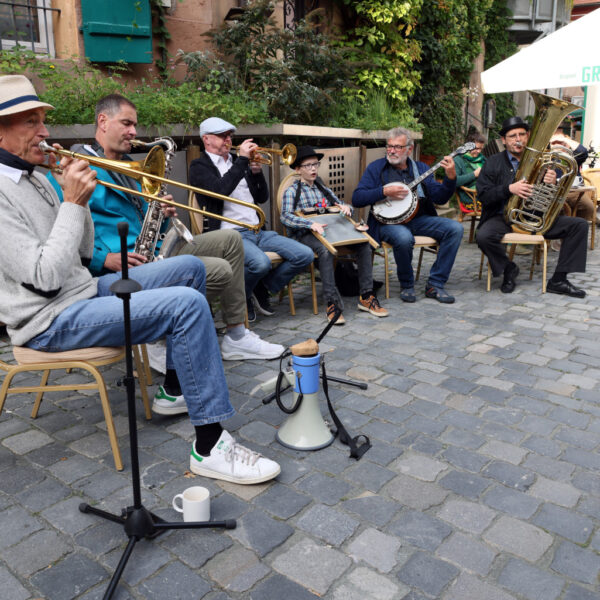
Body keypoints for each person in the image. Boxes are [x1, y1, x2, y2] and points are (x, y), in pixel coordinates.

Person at [0, 74, 280, 485]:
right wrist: (75, 201)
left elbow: (78, 252)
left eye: (43, 119)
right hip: (47, 318)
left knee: (191, 269)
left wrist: (73, 197)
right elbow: (45, 278)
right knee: (185, 304)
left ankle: (175, 386)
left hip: (80, 292)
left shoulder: (38, 179)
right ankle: (209, 445)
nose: (45, 132)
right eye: (31, 122)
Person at [47, 95, 284, 365]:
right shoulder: (72, 168)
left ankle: (236, 336)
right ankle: (157, 334)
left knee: (231, 239)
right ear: (103, 121)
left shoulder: (128, 167)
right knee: (219, 270)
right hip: (120, 264)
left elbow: (144, 221)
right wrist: (103, 259)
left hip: (155, 251)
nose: (134, 132)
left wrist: (160, 212)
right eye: (126, 123)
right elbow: (58, 229)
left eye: (134, 125)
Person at [189, 117, 314, 321]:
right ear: (206, 139)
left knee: (305, 255)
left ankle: (258, 289)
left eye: (229, 135)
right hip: (229, 235)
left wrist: (256, 173)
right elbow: (220, 191)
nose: (228, 140)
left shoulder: (238, 162)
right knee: (261, 264)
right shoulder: (199, 166)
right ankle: (241, 298)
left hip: (258, 230)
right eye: (222, 136)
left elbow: (261, 197)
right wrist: (243, 162)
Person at [476, 115, 588, 297]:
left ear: (528, 136)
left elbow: (580, 156)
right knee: (483, 236)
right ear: (504, 140)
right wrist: (509, 189)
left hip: (537, 217)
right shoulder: (493, 162)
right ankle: (508, 270)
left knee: (579, 226)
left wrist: (554, 182)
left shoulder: (543, 160)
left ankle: (559, 280)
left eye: (522, 135)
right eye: (512, 136)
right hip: (503, 216)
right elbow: (483, 195)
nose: (518, 140)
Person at [352, 127, 463, 304]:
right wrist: (383, 191)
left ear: (409, 149)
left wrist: (450, 178)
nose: (391, 150)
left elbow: (440, 198)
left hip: (418, 219)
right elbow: (357, 198)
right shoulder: (376, 168)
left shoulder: (420, 169)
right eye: (389, 146)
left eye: (397, 147)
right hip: (387, 224)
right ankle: (407, 284)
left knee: (455, 228)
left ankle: (435, 283)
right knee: (404, 238)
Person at [280, 146, 389, 324]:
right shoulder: (292, 191)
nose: (313, 169)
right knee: (324, 251)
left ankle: (367, 297)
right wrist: (309, 223)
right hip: (305, 234)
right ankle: (332, 303)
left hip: (330, 232)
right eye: (308, 166)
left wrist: (346, 208)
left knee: (363, 244)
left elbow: (342, 206)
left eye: (315, 164)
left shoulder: (323, 189)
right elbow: (285, 217)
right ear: (298, 169)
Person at [550, 129, 595, 222]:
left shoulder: (572, 157)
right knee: (559, 209)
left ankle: (579, 227)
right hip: (556, 192)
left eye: (560, 142)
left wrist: (566, 139)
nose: (557, 145)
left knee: (588, 206)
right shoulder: (547, 158)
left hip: (576, 192)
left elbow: (583, 152)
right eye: (554, 143)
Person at [454, 131, 486, 211]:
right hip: (471, 200)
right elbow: (455, 181)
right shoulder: (458, 160)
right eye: (476, 148)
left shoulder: (483, 159)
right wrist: (474, 174)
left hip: (486, 195)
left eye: (480, 149)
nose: (479, 151)